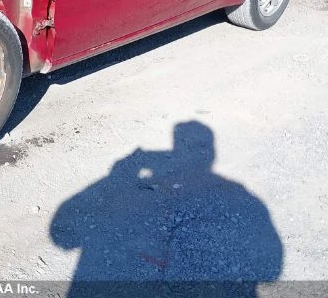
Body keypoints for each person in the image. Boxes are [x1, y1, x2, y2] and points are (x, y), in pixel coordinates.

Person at [50, 121, 282, 297]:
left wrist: (118, 174)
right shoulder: (239, 193)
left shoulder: (235, 193)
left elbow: (62, 237)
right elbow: (270, 268)